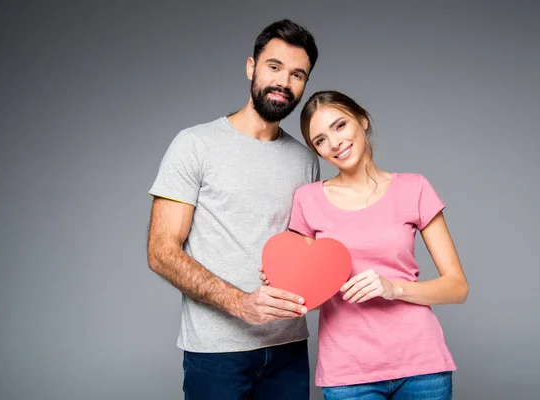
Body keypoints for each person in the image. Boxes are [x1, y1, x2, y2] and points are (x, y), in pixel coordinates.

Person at [146, 20, 320, 400]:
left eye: (297, 74)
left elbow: (305, 253)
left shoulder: (306, 161)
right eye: (274, 67)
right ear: (251, 67)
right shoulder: (195, 145)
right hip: (217, 353)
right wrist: (241, 304)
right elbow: (161, 252)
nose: (283, 82)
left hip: (290, 349)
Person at [263, 90, 469, 399]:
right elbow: (313, 299)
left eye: (340, 126)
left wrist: (394, 288)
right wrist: (287, 286)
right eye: (320, 140)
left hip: (421, 366)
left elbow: (457, 288)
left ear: (362, 120)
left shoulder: (415, 188)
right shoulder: (308, 200)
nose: (334, 143)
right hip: (348, 373)